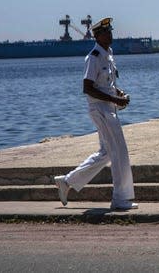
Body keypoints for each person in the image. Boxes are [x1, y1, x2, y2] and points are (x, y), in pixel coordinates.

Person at [54, 17, 137, 211]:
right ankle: (120, 199)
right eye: (106, 33)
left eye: (111, 32)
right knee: (119, 151)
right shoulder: (93, 57)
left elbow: (106, 85)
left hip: (109, 108)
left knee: (107, 153)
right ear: (97, 36)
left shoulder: (108, 54)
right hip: (101, 110)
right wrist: (115, 100)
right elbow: (88, 88)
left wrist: (119, 93)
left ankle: (66, 182)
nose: (110, 35)